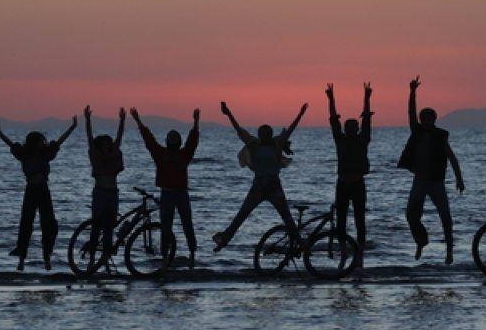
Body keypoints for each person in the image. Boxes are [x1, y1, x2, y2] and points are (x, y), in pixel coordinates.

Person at [213, 101, 309, 252]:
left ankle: (300, 243)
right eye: (262, 134)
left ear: (270, 135)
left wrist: (300, 114)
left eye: (267, 133)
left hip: (273, 185)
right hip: (259, 185)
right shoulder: (253, 145)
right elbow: (238, 129)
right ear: (259, 135)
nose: (264, 136)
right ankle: (224, 239)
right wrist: (228, 113)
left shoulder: (277, 144)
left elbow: (291, 129)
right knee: (242, 214)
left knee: (287, 217)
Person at [0, 114, 78, 271]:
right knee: (26, 225)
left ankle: (46, 258)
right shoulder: (24, 154)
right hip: (31, 190)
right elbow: (9, 143)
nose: (42, 144)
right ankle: (21, 260)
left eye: (42, 142)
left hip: (43, 190)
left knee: (49, 225)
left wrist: (72, 127)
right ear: (33, 143)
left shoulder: (46, 154)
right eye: (39, 142)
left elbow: (59, 142)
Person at [398, 76, 465, 264]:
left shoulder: (440, 136)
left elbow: (452, 158)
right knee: (411, 215)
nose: (427, 120)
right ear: (421, 120)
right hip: (419, 180)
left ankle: (449, 250)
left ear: (434, 119)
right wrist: (412, 92)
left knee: (445, 216)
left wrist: (459, 179)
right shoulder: (417, 131)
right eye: (424, 118)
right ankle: (421, 241)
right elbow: (410, 112)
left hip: (436, 182)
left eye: (430, 117)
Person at [130, 107, 200, 265]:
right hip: (168, 193)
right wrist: (138, 121)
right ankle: (165, 256)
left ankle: (191, 254)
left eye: (174, 138)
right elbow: (149, 140)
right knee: (166, 227)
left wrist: (196, 122)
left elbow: (192, 142)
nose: (173, 141)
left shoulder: (182, 154)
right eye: (171, 138)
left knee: (186, 224)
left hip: (180, 194)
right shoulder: (162, 153)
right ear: (169, 141)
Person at [326, 82, 372, 270]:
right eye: (348, 126)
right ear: (346, 129)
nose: (350, 129)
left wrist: (367, 98)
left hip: (357, 183)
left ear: (357, 129)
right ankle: (344, 251)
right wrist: (331, 99)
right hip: (343, 184)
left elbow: (367, 119)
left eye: (353, 126)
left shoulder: (363, 140)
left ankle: (359, 252)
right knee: (342, 219)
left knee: (360, 219)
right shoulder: (341, 140)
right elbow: (333, 120)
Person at [83, 106, 126, 260]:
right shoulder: (95, 155)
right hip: (100, 192)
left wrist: (122, 120)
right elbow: (89, 138)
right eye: (105, 144)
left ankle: (106, 258)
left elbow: (119, 138)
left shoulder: (114, 154)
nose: (107, 145)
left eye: (109, 143)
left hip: (113, 193)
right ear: (100, 146)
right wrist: (87, 120)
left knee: (109, 227)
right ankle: (92, 256)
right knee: (96, 225)